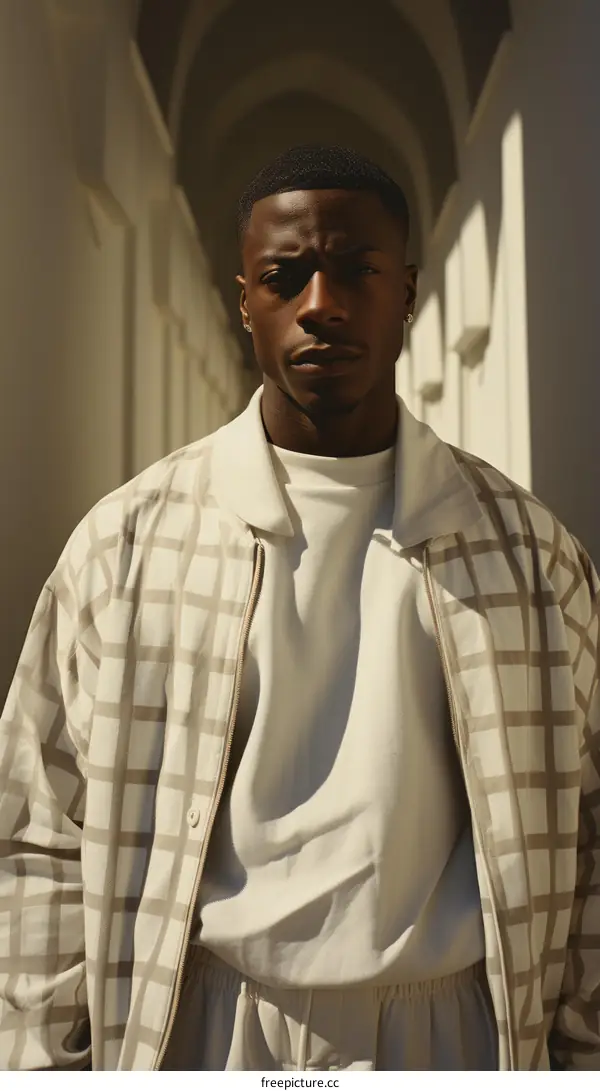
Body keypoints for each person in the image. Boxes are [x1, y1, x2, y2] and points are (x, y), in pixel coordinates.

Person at [0, 144, 598, 1073]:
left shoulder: (526, 553)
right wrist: (40, 1062)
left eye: (357, 270)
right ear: (246, 301)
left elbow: (592, 826)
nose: (322, 303)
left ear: (406, 292)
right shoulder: (127, 547)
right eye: (286, 276)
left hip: (458, 1035)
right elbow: (39, 829)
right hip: (207, 1026)